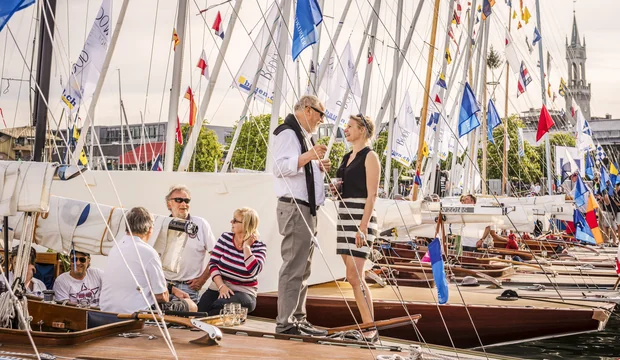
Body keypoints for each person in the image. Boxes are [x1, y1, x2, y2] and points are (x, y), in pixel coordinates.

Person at [272, 95, 331, 336]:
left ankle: (297, 317)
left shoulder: (301, 136)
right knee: (294, 266)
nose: (320, 120)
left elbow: (296, 168)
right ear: (308, 110)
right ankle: (286, 322)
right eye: (320, 114)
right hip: (296, 207)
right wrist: (310, 156)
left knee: (303, 267)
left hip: (305, 208)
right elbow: (279, 168)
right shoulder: (288, 133)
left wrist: (316, 166)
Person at [333, 113, 381, 342]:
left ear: (362, 129)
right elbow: (341, 187)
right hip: (344, 216)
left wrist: (363, 227)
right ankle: (368, 326)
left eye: (350, 126)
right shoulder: (346, 157)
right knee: (352, 276)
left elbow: (372, 195)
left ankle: (370, 328)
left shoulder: (370, 156)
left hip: (360, 218)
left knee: (355, 276)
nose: (346, 129)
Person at [100, 207, 197, 314]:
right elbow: (161, 297)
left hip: (107, 310)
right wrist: (169, 294)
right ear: (150, 229)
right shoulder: (149, 252)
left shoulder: (115, 248)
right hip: (137, 314)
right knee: (191, 305)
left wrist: (172, 289)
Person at [197, 207, 267, 314]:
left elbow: (254, 270)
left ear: (246, 224)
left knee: (219, 306)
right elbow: (213, 264)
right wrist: (221, 286)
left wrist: (246, 247)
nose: (231, 222)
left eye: (235, 220)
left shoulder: (259, 247)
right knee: (200, 310)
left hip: (244, 292)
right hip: (219, 286)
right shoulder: (225, 238)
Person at [164, 185, 217, 303]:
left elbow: (216, 255)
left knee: (185, 320)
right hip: (164, 286)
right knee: (160, 320)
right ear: (169, 204)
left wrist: (202, 280)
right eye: (178, 200)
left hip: (189, 288)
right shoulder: (162, 225)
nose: (183, 204)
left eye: (187, 200)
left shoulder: (201, 224)